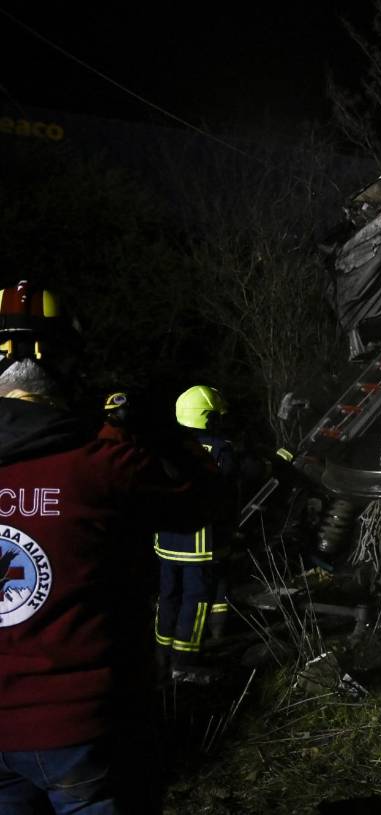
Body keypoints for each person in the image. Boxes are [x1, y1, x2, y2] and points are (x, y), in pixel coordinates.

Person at [0, 281, 223, 813]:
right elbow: (206, 499)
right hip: (85, 725)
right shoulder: (105, 460)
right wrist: (163, 435)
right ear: (67, 362)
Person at [154, 385, 238, 683]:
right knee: (197, 599)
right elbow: (230, 487)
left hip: (166, 540)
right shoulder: (219, 450)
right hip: (199, 542)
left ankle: (162, 656)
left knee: (168, 595)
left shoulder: (165, 446)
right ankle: (185, 662)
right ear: (208, 418)